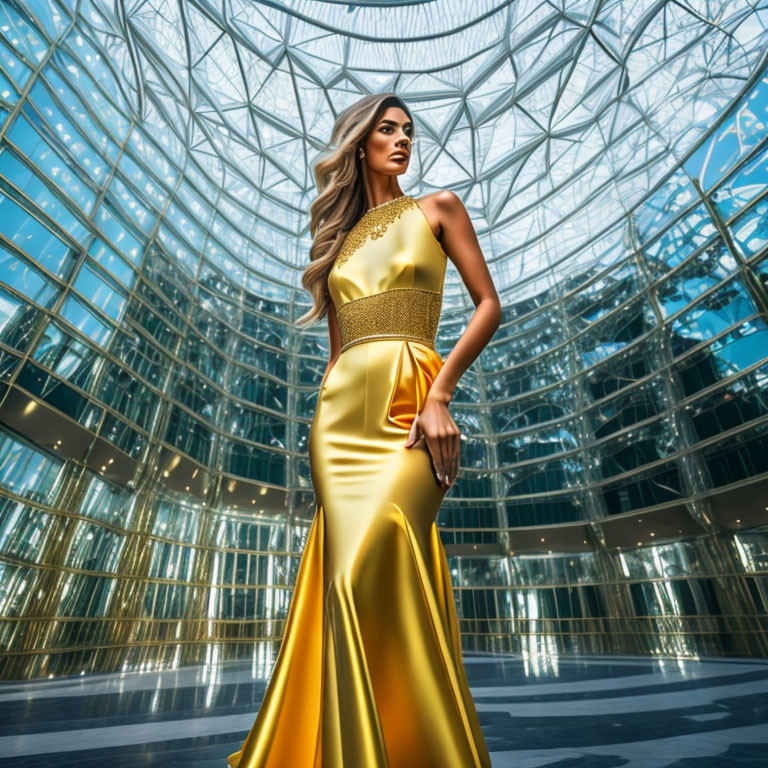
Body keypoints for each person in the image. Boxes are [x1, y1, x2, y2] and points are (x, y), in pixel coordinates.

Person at [228, 92, 501, 768]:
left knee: (360, 573)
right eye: (387, 129)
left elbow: (489, 305)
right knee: (354, 578)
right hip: (341, 423)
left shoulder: (438, 208)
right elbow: (337, 354)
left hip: (412, 405)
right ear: (360, 143)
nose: (402, 139)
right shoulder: (338, 245)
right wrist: (317, 427)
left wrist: (440, 395)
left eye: (408, 130)